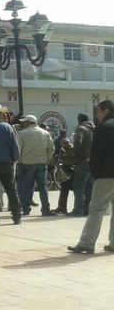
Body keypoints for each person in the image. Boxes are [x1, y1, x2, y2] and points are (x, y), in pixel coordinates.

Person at [68, 100, 114, 254]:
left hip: (105, 174)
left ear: (106, 111)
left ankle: (87, 243)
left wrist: (94, 169)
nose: (97, 115)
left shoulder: (103, 127)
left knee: (96, 209)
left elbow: (96, 152)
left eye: (98, 112)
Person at [16, 114, 55, 216]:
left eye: (24, 122)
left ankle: (26, 209)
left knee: (28, 187)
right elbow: (51, 149)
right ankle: (45, 209)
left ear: (28, 122)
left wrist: (19, 161)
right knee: (43, 187)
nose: (22, 124)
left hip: (26, 163)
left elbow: (18, 149)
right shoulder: (45, 133)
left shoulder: (22, 134)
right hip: (41, 163)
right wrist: (47, 159)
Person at [70, 113, 95, 217]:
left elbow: (77, 143)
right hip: (93, 162)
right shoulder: (94, 129)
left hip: (83, 161)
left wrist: (75, 154)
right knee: (89, 187)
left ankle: (78, 210)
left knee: (78, 187)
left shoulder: (80, 128)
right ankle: (87, 210)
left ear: (78, 120)